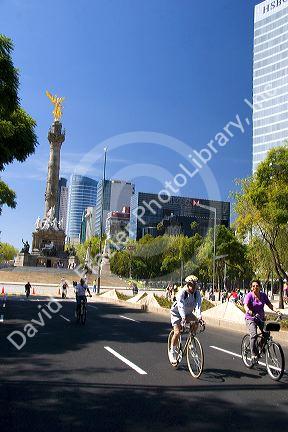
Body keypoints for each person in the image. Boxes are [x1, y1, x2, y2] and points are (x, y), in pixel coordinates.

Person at [169, 275, 202, 364]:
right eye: (191, 285)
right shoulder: (182, 292)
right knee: (177, 332)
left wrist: (199, 317)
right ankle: (172, 351)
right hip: (177, 313)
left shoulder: (197, 293)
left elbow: (198, 306)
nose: (192, 287)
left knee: (196, 323)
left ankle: (191, 342)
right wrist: (183, 318)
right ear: (187, 284)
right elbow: (180, 306)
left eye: (194, 285)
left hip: (188, 313)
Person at [244, 279, 277, 363]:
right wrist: (249, 311)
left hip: (260, 318)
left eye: (257, 286)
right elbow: (245, 305)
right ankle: (253, 354)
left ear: (260, 287)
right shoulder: (249, 296)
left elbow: (270, 305)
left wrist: (277, 311)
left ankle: (260, 346)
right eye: (253, 286)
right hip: (250, 318)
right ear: (251, 288)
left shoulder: (263, 295)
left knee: (266, 334)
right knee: (254, 335)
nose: (255, 287)